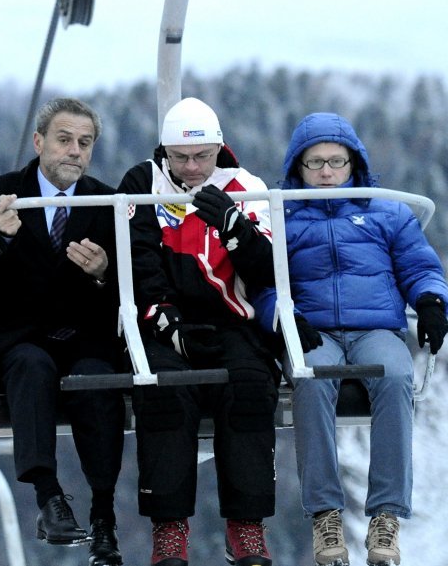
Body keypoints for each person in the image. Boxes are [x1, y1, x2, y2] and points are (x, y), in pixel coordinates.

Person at [252, 112, 448, 566]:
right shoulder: (281, 219)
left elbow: (421, 267)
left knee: (397, 375)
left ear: (353, 165)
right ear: (297, 169)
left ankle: (386, 515)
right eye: (315, 163)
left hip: (375, 327)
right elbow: (262, 283)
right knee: (310, 377)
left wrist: (430, 303)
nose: (326, 173)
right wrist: (284, 318)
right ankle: (325, 513)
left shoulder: (386, 211)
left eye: (336, 162)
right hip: (314, 328)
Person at [0, 97, 126, 566]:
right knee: (31, 365)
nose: (75, 151)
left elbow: (128, 293)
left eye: (84, 143)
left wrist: (104, 272)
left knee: (97, 381)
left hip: (81, 335)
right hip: (13, 336)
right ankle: (49, 498)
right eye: (64, 140)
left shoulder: (105, 203)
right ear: (39, 141)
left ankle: (103, 515)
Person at [117, 97, 279, 566]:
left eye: (201, 156)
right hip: (162, 319)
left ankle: (246, 524)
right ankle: (169, 527)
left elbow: (268, 270)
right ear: (164, 150)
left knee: (250, 385)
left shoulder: (245, 187)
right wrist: (167, 323)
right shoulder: (143, 182)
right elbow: (139, 257)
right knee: (164, 389)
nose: (190, 167)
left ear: (219, 148)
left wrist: (233, 227)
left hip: (228, 316)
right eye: (180, 157)